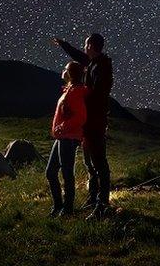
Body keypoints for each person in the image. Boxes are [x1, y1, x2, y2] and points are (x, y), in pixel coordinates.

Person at [52, 33, 113, 219]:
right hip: (89, 122)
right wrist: (64, 44)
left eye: (86, 44)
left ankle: (102, 205)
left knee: (99, 163)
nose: (84, 47)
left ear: (92, 46)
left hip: (95, 122)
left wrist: (81, 100)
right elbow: (78, 56)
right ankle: (93, 198)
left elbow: (99, 94)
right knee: (90, 163)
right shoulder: (93, 63)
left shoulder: (102, 66)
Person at [46, 61, 89, 217]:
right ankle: (59, 206)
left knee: (66, 173)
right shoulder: (69, 90)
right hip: (62, 137)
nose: (63, 71)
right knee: (51, 172)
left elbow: (81, 117)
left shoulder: (76, 91)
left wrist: (62, 127)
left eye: (65, 69)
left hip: (68, 138)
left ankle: (67, 209)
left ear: (70, 73)